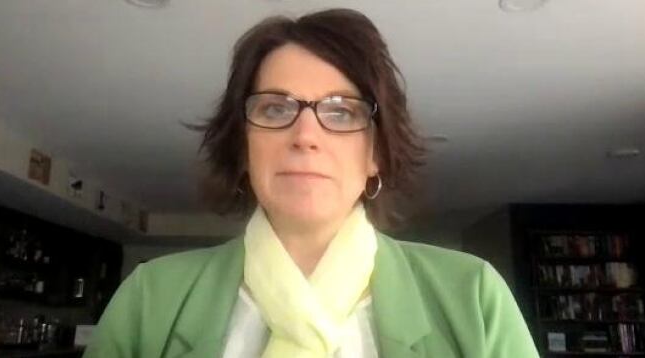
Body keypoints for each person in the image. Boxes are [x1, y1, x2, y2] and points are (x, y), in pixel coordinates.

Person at [84, 8, 539, 358]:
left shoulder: (473, 296)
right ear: (243, 147)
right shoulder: (149, 299)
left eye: (341, 112)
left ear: (376, 154)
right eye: (275, 109)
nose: (305, 136)